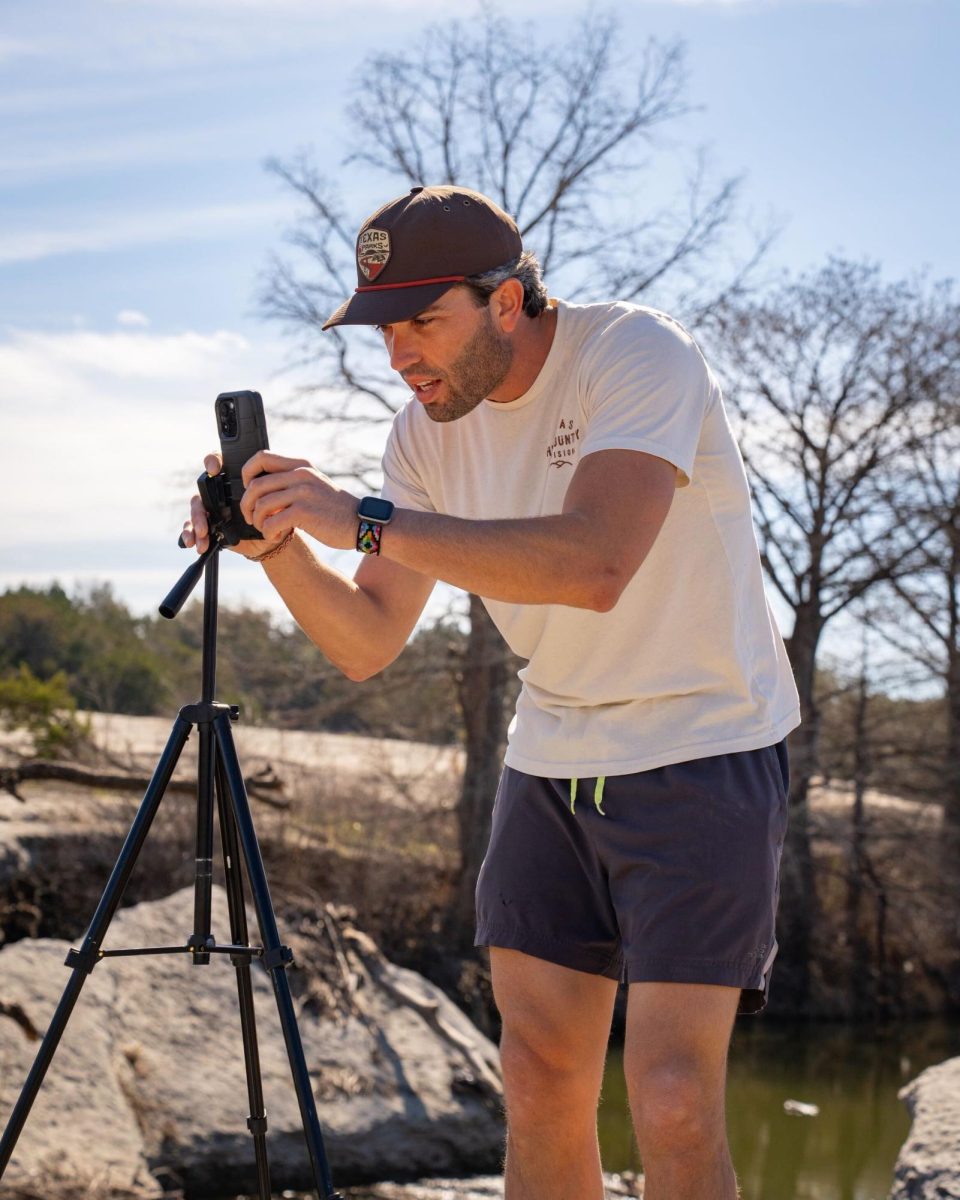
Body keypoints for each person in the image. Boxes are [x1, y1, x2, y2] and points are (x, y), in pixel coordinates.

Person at [184, 185, 800, 1200]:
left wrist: (365, 519)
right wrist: (282, 548)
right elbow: (369, 640)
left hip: (703, 743)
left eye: (426, 321)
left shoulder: (637, 354)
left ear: (507, 300)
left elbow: (597, 564)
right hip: (554, 755)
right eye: (387, 329)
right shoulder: (424, 436)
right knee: (537, 1074)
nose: (402, 356)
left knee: (675, 1097)